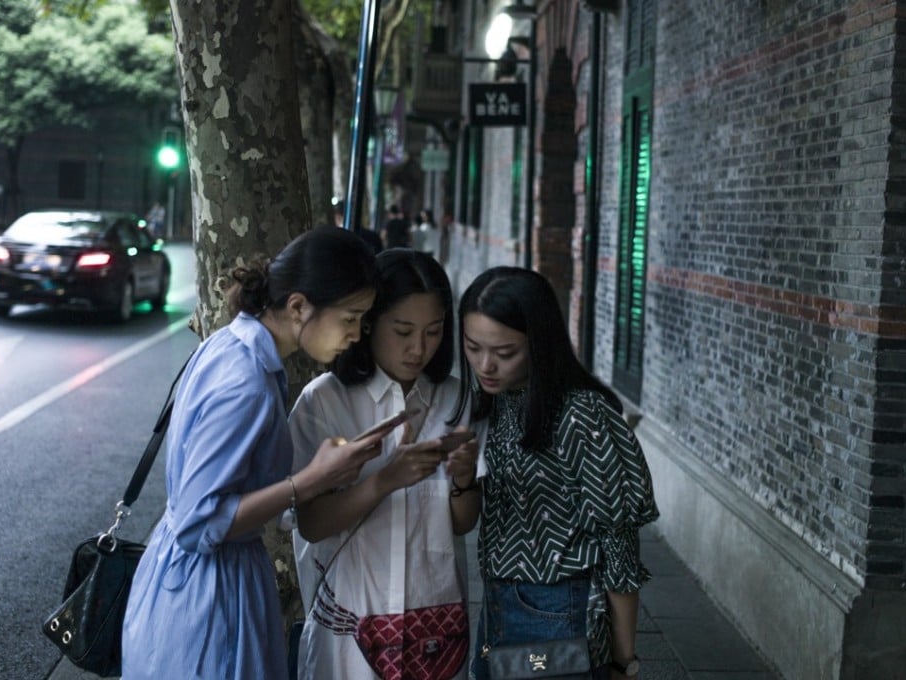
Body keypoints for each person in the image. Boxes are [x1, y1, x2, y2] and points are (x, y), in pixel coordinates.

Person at [122, 227, 389, 680]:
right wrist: (312, 481)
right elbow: (198, 521)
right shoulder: (245, 380)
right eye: (349, 318)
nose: (357, 335)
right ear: (299, 306)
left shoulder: (236, 345)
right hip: (210, 597)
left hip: (190, 582)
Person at [453, 267, 659, 680]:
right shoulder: (495, 401)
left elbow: (619, 544)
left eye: (505, 352)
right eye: (473, 347)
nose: (486, 365)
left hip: (558, 609)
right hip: (497, 605)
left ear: (539, 343)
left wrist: (624, 659)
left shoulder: (584, 416)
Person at [288, 248, 480, 680]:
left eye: (433, 332)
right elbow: (311, 524)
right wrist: (385, 479)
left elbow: (463, 522)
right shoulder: (325, 402)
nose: (418, 349)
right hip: (349, 627)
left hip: (436, 627)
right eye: (403, 331)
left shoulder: (454, 398)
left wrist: (464, 481)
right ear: (369, 321)